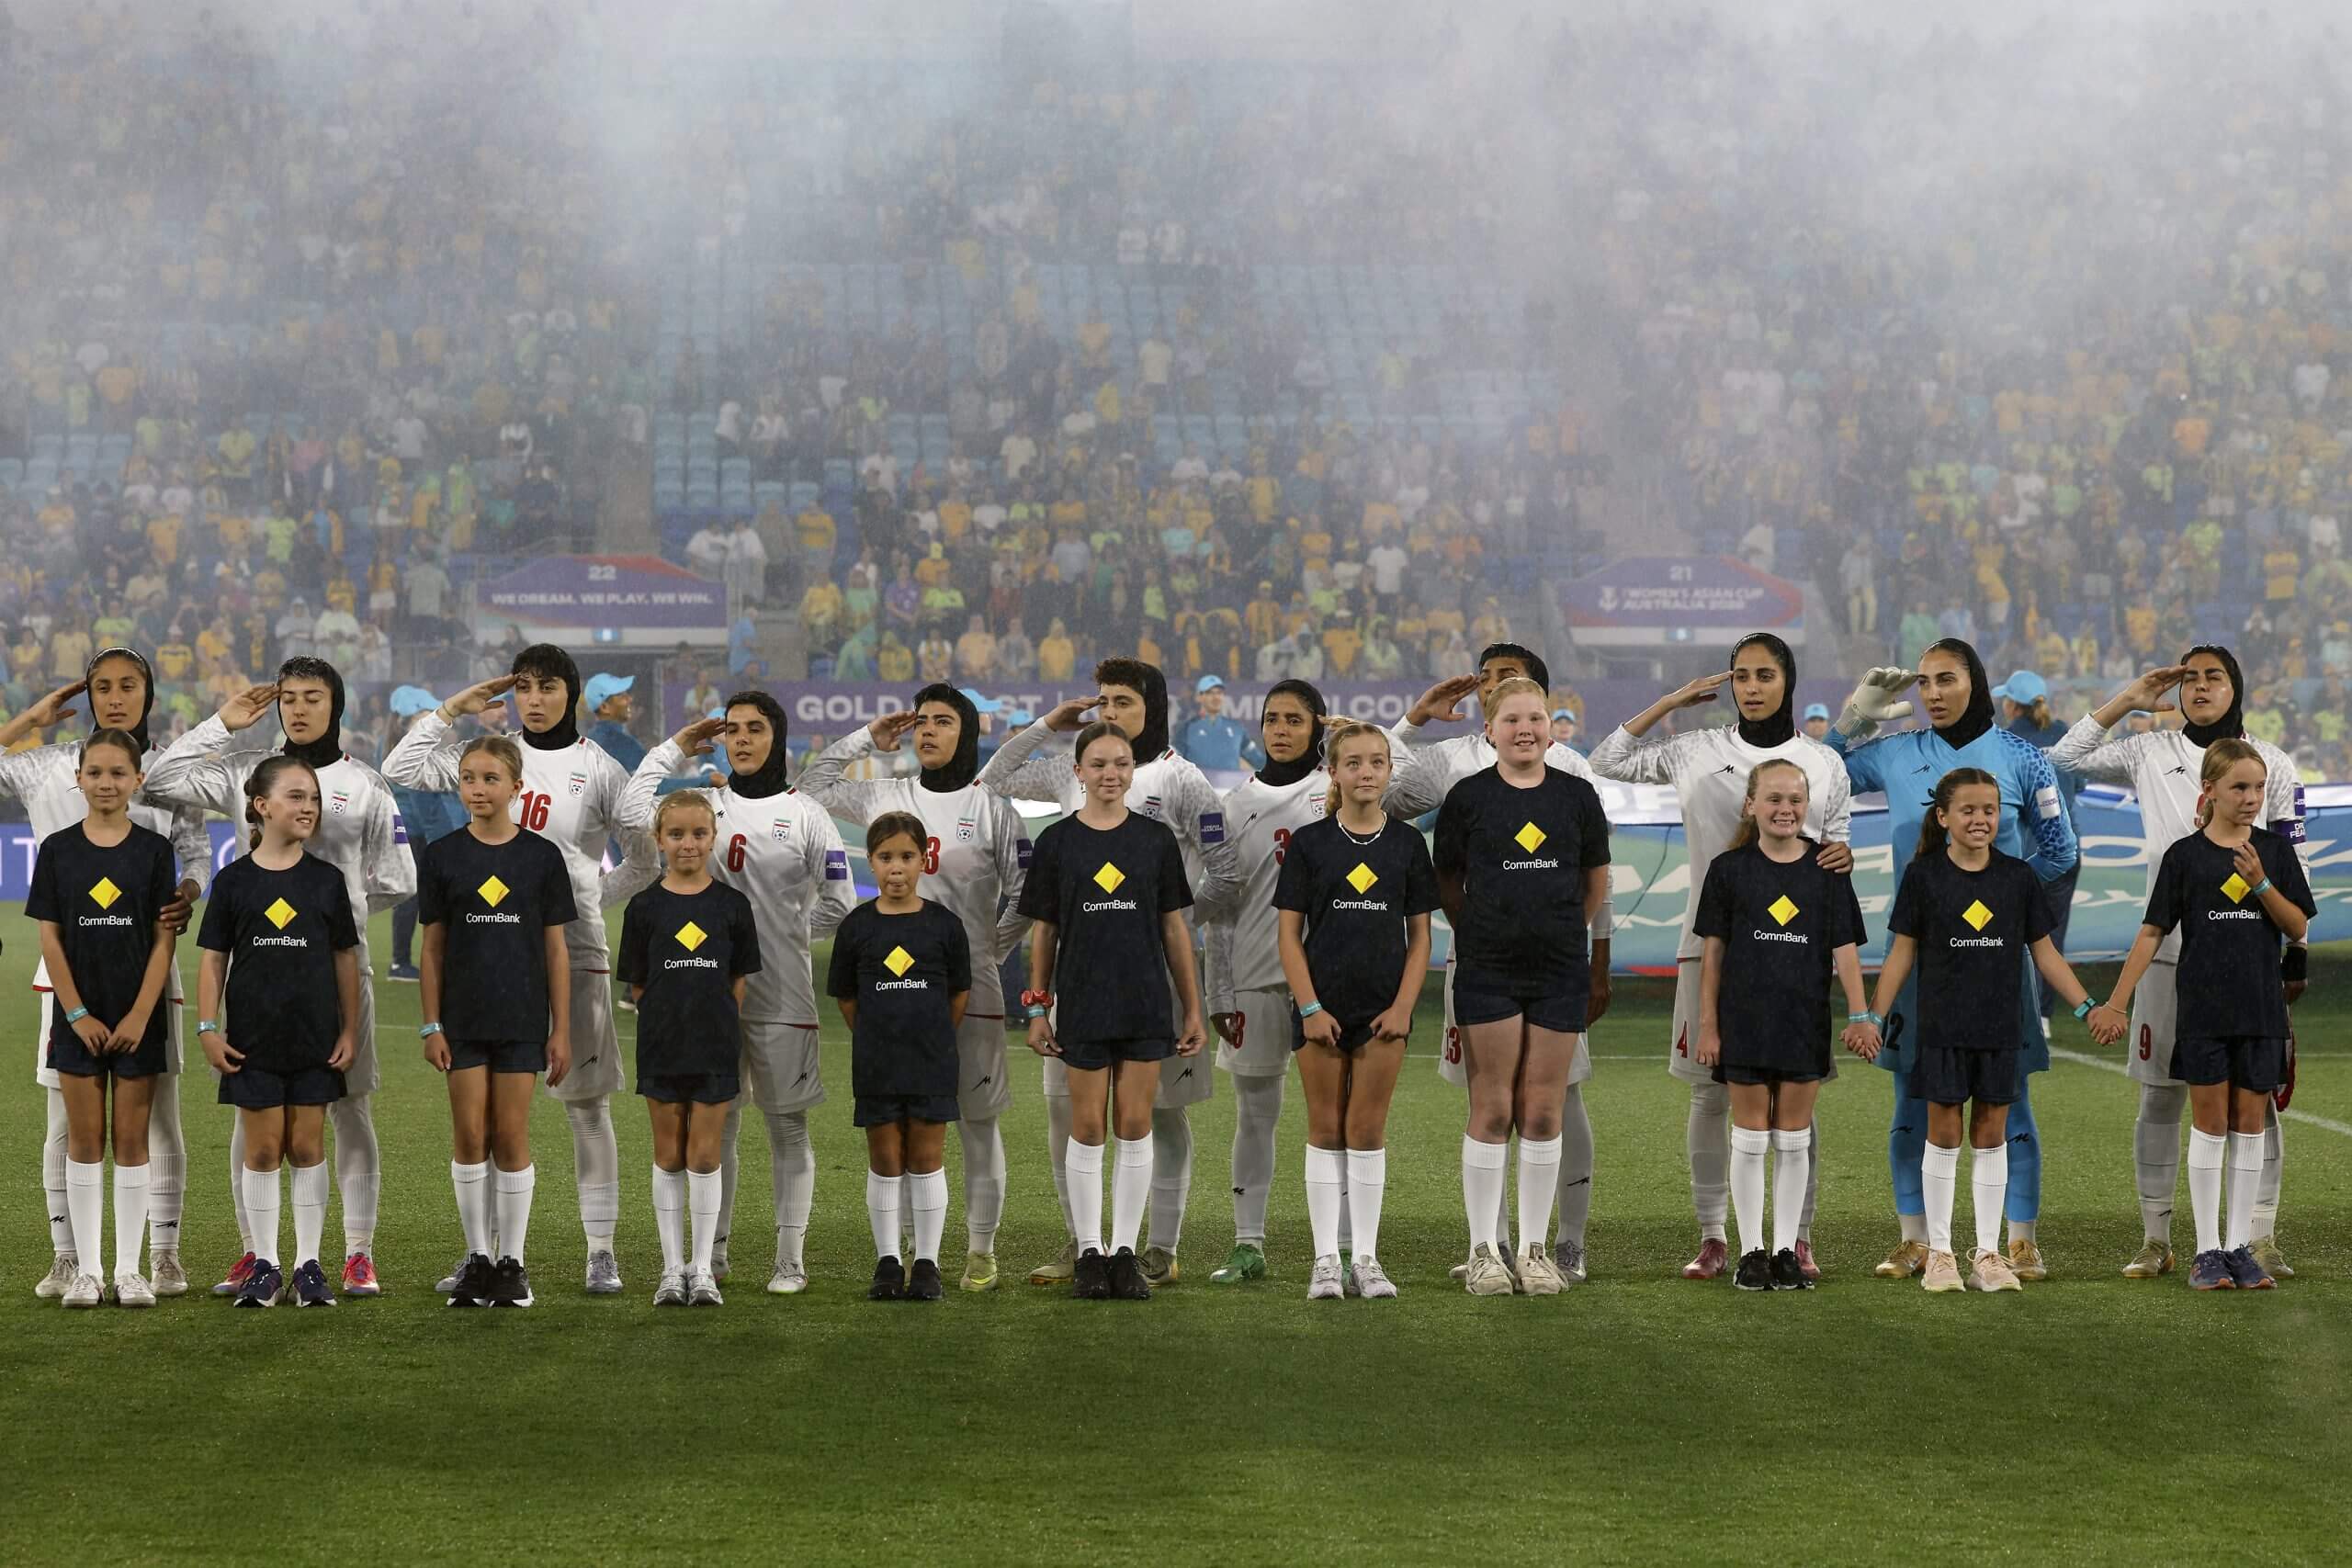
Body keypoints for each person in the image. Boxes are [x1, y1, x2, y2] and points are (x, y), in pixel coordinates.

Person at [389, 647, 660, 1298]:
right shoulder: (492, 753)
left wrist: (591, 898)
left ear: (570, 693)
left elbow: (645, 858)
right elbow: (399, 766)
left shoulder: (599, 767)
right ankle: (481, 1255)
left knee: (585, 1105)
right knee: (481, 1119)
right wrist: (453, 708)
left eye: (548, 687)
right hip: (487, 953)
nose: (534, 699)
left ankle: (601, 1250)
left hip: (575, 946)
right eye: (525, 688)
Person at [1588, 636, 1853, 1280]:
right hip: (1706, 947)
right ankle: (1713, 1234)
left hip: (1795, 954)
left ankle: (1799, 1236)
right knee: (1710, 1096)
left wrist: (1838, 854)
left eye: (1765, 674)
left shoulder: (1822, 763)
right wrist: (1674, 701)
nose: (1752, 686)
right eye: (1741, 675)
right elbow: (1606, 758)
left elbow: (1836, 854)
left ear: (1788, 679)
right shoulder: (1696, 749)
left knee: (1796, 1097)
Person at [147, 659, 413, 1299]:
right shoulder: (249, 771)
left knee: (349, 1106)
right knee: (252, 1106)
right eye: (287, 698)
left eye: (311, 698)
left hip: (338, 970)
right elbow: (159, 780)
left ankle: (355, 1252)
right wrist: (221, 723)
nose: (296, 708)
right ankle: (256, 1253)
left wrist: (334, 922)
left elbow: (399, 877)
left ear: (336, 706)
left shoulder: (366, 784)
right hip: (257, 970)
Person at [2047, 649, 2311, 1279]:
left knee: (2257, 1102)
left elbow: (2288, 863)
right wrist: (2128, 698)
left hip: (2248, 959)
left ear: (2236, 686)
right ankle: (2157, 1237)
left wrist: (2294, 956)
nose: (2198, 687)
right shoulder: (2147, 749)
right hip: (2168, 958)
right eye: (2189, 678)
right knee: (2163, 1098)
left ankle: (2258, 1237)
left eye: (2212, 676)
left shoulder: (2271, 762)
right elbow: (2061, 760)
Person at [977, 658, 1238, 1289]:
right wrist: (1048, 722)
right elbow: (994, 777)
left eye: (1125, 699)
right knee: (1071, 1115)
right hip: (1081, 984)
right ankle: (1083, 1245)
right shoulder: (1077, 773)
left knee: (1156, 1116)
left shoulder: (1180, 779)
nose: (1111, 711)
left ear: (1153, 706)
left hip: (1152, 982)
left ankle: (1156, 1247)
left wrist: (1157, 923)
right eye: (1104, 700)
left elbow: (1224, 870)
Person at [1826, 642, 2078, 1281]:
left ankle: (2017, 1240)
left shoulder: (2022, 757)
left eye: (1948, 679)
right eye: (1924, 683)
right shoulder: (1896, 751)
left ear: (1977, 681)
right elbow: (1813, 773)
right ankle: (1917, 1238)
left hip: (1998, 967)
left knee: (2009, 1101)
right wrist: (1854, 718)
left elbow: (2061, 848)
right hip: (1918, 970)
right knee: (1913, 1100)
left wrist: (2002, 904)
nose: (1932, 693)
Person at [1385, 645, 1613, 1283]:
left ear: (1550, 724)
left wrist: (1572, 935)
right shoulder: (1466, 797)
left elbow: (1595, 879)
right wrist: (1479, 932)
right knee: (1490, 1107)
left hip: (1557, 972)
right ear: (1489, 729)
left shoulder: (1576, 796)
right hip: (1487, 969)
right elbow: (1448, 879)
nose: (1524, 730)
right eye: (1511, 720)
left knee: (1543, 1109)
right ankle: (1487, 1251)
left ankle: (1538, 1253)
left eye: (1535, 719)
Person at [619, 691, 854, 1293]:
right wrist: (673, 747)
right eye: (733, 730)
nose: (742, 739)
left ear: (777, 736)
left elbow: (840, 901)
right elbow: (631, 810)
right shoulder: (705, 806)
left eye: (756, 728)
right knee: (714, 1126)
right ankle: (709, 1258)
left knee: (787, 1126)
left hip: (783, 995)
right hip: (706, 999)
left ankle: (789, 1261)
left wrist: (781, 933)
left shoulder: (808, 814)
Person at [797, 685, 1028, 1292]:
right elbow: (813, 785)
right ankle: (900, 1252)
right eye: (921, 720)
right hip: (890, 990)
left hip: (967, 986)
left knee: (977, 1120)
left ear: (968, 732)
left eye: (943, 721)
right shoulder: (886, 793)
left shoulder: (992, 807)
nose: (927, 730)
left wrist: (990, 950)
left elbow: (1028, 892)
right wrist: (866, 739)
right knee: (895, 1120)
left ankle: (980, 1248)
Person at [1846, 769, 2105, 1293]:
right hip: (1940, 1029)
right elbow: (1900, 955)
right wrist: (1870, 1016)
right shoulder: (1923, 876)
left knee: (1991, 1137)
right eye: (1967, 810)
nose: (1980, 819)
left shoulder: (2017, 877)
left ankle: (1988, 1255)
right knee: (1943, 1136)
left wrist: (2088, 1008)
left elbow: (2045, 953)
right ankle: (1940, 1254)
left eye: (1990, 810)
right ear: (1943, 818)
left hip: (2000, 1029)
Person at [1, 652, 209, 1302]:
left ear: (149, 690)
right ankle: (71, 1258)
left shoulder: (173, 770)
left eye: (128, 685)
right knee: (66, 1123)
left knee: (158, 1119)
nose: (116, 697)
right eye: (102, 687)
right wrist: (23, 723)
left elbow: (197, 851)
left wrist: (191, 888)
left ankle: (162, 1254)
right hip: (68, 975)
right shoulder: (48, 761)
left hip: (147, 968)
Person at [2094, 739, 2314, 1290]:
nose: (2252, 798)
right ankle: (2207, 1251)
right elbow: (2151, 934)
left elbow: (2297, 927)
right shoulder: (2185, 856)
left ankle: (2241, 1247)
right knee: (2210, 1127)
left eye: (2259, 788)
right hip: (2204, 1011)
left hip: (2260, 1011)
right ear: (2209, 790)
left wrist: (2262, 881)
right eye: (2240, 787)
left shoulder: (2275, 852)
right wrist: (2117, 1003)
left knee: (2248, 1128)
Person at [1016, 720, 1206, 1301]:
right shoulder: (1057, 842)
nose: (1110, 774)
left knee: (1134, 1123)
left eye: (1120, 764)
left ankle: (1125, 1252)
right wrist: (1038, 1008)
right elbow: (1043, 932)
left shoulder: (1154, 841)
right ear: (1078, 772)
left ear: (1132, 771)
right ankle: (1090, 1252)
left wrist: (1193, 1008)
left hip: (1147, 1002)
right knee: (1089, 1126)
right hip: (1085, 1001)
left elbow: (1174, 929)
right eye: (1097, 764)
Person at [1691, 760, 1872, 1292]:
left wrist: (1860, 1015)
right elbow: (1714, 955)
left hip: (1803, 1020)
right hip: (1743, 1020)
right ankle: (1750, 1252)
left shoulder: (1828, 869)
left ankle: (1785, 1249)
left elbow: (1845, 950)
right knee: (1749, 1134)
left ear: (1807, 805)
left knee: (1793, 1139)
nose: (1785, 809)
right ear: (1751, 805)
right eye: (1773, 799)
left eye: (1795, 799)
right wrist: (1708, 1025)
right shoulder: (1729, 870)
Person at [1272, 719, 1437, 1300]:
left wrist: (1403, 1007)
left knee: (1366, 1130)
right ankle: (1325, 1260)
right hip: (1322, 1008)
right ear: (1334, 773)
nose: (1366, 772)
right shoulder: (1310, 844)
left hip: (1384, 1010)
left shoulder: (1408, 844)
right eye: (1355, 763)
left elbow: (1421, 939)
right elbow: (1289, 936)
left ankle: (1365, 1258)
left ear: (1390, 771)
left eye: (1377, 762)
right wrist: (1310, 1006)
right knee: (1324, 1129)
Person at [195, 756, 363, 1308]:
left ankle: (307, 1265)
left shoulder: (326, 881)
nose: (307, 806)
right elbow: (213, 960)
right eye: (295, 796)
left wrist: (350, 1029)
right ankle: (265, 1265)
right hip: (253, 1040)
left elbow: (344, 959)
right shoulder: (234, 881)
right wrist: (207, 1028)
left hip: (314, 1039)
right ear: (262, 806)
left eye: (312, 797)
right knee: (264, 1151)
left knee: (307, 1145)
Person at [416, 736, 577, 1309]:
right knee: (469, 1136)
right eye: (468, 778)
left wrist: (560, 1028)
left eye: (489, 778)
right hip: (462, 1021)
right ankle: (477, 1259)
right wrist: (430, 1024)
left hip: (521, 1020)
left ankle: (514, 1262)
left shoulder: (540, 857)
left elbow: (556, 950)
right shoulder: (441, 856)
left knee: (510, 1137)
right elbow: (431, 949)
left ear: (516, 786)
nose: (477, 789)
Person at [28, 729, 181, 1308]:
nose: (106, 783)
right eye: (95, 773)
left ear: (137, 780)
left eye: (119, 773)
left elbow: (165, 939)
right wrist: (75, 1013)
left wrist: (142, 1014)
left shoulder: (152, 851)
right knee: (85, 1141)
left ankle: (129, 1270)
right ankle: (87, 1271)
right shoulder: (60, 850)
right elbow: (49, 935)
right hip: (79, 1019)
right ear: (79, 778)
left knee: (133, 1140)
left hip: (137, 1018)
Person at [1196, 679, 1329, 1286]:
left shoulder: (1337, 788)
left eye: (1295, 719)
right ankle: (1249, 1243)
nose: (1280, 729)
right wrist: (1219, 990)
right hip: (1255, 977)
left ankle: (1348, 1246)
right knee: (1256, 1114)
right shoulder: (1234, 804)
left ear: (1317, 725)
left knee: (1343, 1117)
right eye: (1273, 718)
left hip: (1332, 978)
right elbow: (1220, 906)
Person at [618, 791, 763, 1307]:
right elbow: (638, 985)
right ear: (658, 839)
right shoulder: (644, 907)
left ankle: (702, 1268)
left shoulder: (731, 905)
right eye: (676, 834)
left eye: (698, 834)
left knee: (704, 1156)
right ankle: (669, 1269)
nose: (687, 844)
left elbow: (738, 981)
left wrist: (715, 1020)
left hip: (716, 1047)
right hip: (662, 1046)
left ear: (712, 838)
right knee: (669, 1155)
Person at [828, 812, 973, 1303]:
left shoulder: (944, 926)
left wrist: (929, 1036)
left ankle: (927, 1263)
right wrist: (876, 1036)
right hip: (877, 1063)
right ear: (869, 861)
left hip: (932, 1060)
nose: (896, 868)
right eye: (886, 857)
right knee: (886, 1160)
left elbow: (957, 995)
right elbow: (847, 998)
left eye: (906, 857)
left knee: (927, 1159)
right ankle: (889, 1261)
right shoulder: (856, 928)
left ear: (924, 860)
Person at [1994, 670, 2082, 1028]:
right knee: (2052, 937)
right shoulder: (2064, 733)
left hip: (2025, 855)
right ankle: (2043, 1016)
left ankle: (2019, 1012)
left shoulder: (2006, 740)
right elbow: (2080, 785)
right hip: (2066, 850)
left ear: (2012, 704)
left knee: (2012, 935)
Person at [384, 687, 462, 984]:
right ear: (409, 717)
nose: (431, 717)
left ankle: (401, 961)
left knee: (413, 896)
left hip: (409, 829)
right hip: (418, 831)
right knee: (421, 897)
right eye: (425, 712)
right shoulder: (408, 748)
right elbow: (423, 802)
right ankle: (404, 962)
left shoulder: (392, 742)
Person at [1178, 674, 1261, 773]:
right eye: (1209, 693)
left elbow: (1259, 760)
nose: (1216, 697)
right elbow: (1171, 763)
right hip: (1198, 787)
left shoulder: (1237, 728)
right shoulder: (1186, 728)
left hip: (1230, 787)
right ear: (1198, 697)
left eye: (1219, 693)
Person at [582, 673, 646, 773]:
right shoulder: (625, 745)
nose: (629, 699)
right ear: (604, 707)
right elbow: (652, 784)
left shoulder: (587, 743)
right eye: (621, 696)